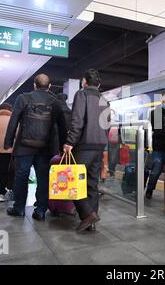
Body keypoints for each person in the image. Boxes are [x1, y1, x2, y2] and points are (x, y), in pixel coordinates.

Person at [4, 74, 66, 220]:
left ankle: (19, 208)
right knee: (43, 178)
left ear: (34, 85)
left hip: (24, 146)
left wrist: (8, 142)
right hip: (45, 147)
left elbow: (13, 121)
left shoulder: (23, 98)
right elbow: (62, 126)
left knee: (21, 176)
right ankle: (40, 211)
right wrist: (63, 146)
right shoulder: (55, 101)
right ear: (49, 86)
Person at [63, 69, 109, 232]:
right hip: (99, 146)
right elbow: (107, 126)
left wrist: (70, 142)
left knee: (73, 182)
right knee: (91, 184)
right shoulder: (104, 99)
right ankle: (91, 220)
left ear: (84, 81)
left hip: (84, 146)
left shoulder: (81, 95)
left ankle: (88, 215)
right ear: (99, 84)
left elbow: (77, 120)